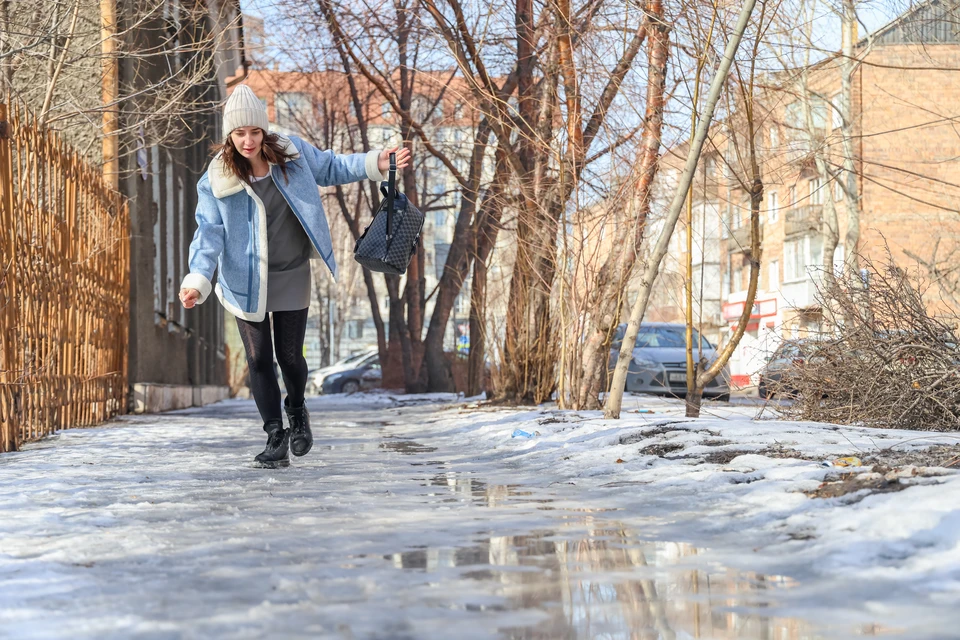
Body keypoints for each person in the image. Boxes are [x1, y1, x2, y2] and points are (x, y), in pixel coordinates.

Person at [178, 85, 411, 468]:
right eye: (239, 134)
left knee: (289, 356)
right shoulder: (217, 178)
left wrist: (377, 163)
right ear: (229, 136)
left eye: (254, 131)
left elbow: (333, 166)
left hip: (290, 271)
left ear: (264, 130)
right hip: (244, 278)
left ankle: (298, 411)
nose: (248, 140)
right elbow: (209, 231)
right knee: (257, 360)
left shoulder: (293, 154)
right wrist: (198, 277)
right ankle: (275, 434)